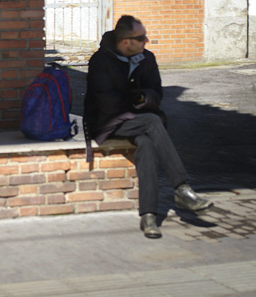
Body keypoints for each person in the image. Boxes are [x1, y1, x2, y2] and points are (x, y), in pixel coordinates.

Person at [84, 15, 212, 239]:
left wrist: (142, 97)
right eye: (141, 37)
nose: (147, 40)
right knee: (152, 121)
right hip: (107, 123)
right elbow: (107, 103)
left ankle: (149, 216)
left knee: (147, 144)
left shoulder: (147, 58)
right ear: (127, 42)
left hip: (139, 122)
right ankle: (181, 188)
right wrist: (138, 100)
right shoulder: (100, 61)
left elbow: (156, 93)